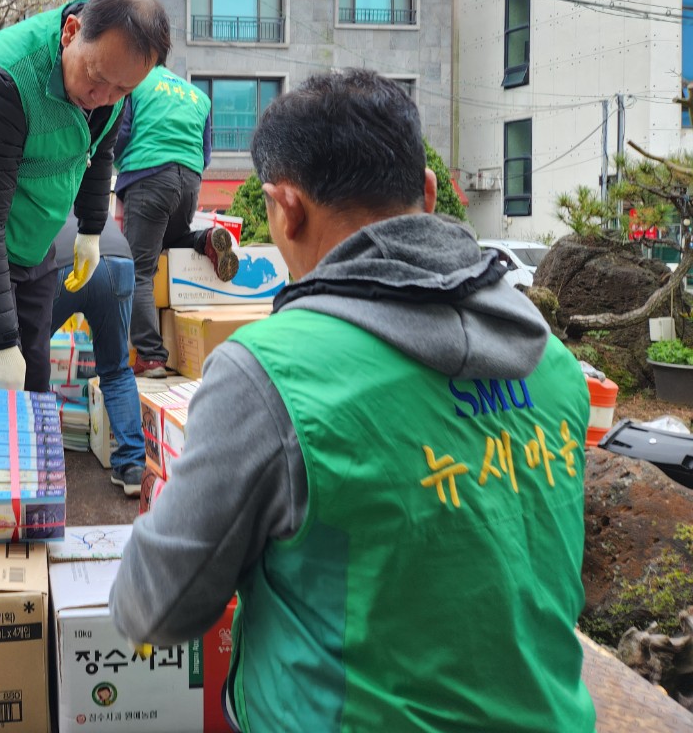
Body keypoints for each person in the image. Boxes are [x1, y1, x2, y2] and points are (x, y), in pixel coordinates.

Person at [109, 70, 594, 732]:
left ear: (285, 209)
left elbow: (153, 613)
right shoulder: (554, 364)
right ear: (427, 192)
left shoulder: (269, 374)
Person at [0, 0, 170, 393]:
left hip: (33, 236)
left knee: (33, 380)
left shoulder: (113, 80)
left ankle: (29, 453)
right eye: (97, 78)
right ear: (71, 31)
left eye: (122, 90)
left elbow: (99, 148)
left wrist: (91, 227)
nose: (103, 98)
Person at [114, 65, 240, 378]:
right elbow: (206, 152)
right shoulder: (198, 96)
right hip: (190, 179)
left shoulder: (135, 82)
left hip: (148, 175)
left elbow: (122, 134)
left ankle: (151, 356)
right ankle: (207, 239)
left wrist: (114, 163)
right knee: (171, 239)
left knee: (139, 269)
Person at [50, 213, 147, 495]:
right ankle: (132, 467)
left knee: (30, 359)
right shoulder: (84, 195)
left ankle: (39, 462)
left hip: (62, 265)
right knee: (116, 370)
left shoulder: (41, 192)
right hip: (118, 263)